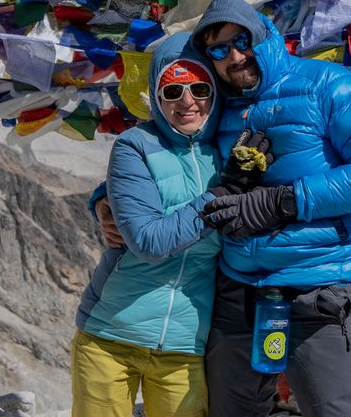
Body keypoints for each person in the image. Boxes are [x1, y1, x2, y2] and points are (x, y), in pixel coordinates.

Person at [98, 0, 351, 417]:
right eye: (218, 51)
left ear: (264, 35)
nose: (234, 56)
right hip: (238, 296)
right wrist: (103, 199)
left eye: (241, 40)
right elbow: (166, 154)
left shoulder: (328, 85)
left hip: (318, 291)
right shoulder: (219, 104)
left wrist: (283, 201)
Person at [72, 33, 234, 417]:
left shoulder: (229, 146)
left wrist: (103, 198)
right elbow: (147, 239)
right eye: (172, 91)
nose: (187, 101)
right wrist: (218, 199)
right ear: (156, 98)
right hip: (111, 333)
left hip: (185, 343)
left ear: (214, 90)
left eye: (198, 88)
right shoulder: (136, 144)